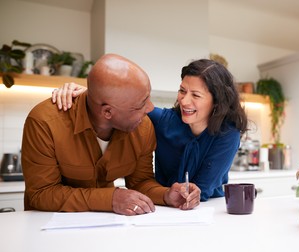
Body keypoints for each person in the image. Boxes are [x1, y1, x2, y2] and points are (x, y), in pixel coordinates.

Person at [22, 53, 200, 216]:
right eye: (140, 105)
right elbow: (41, 193)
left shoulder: (142, 126)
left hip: (106, 227)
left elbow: (140, 182)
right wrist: (111, 199)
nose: (150, 108)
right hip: (47, 227)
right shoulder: (44, 122)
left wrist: (167, 195)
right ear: (107, 112)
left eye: (148, 97)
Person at [52, 59, 248, 201]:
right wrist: (88, 93)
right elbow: (122, 102)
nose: (184, 101)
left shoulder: (228, 134)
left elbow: (202, 190)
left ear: (217, 102)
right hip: (163, 204)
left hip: (206, 209)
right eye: (182, 91)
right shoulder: (164, 121)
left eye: (195, 95)